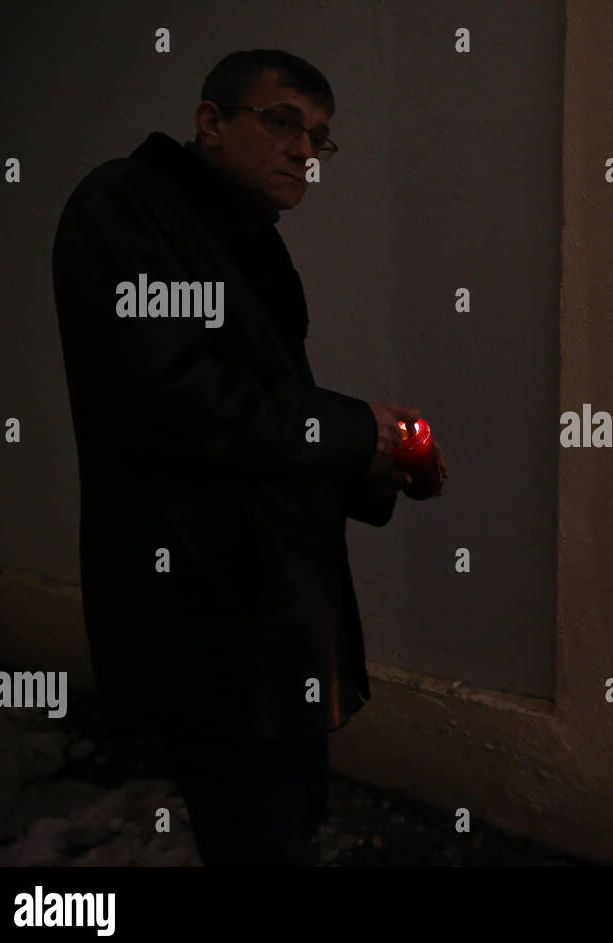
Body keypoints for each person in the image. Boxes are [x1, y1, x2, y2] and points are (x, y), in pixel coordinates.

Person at [51, 49, 447, 865]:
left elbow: (258, 417)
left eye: (320, 137)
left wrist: (372, 458)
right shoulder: (125, 207)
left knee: (287, 817)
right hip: (206, 595)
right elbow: (171, 392)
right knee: (257, 831)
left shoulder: (244, 239)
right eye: (282, 122)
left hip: (269, 601)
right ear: (210, 121)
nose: (305, 149)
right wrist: (353, 431)